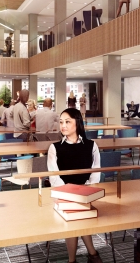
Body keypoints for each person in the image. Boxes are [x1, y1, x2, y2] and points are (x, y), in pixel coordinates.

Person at [46, 108, 103, 263]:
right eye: (61, 122)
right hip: (63, 193)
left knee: (77, 216)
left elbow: (95, 172)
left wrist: (87, 192)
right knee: (75, 217)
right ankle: (92, 254)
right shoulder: (54, 147)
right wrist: (71, 194)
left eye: (67, 121)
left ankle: (75, 260)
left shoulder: (92, 145)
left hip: (87, 192)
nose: (63, 125)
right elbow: (54, 176)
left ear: (78, 123)